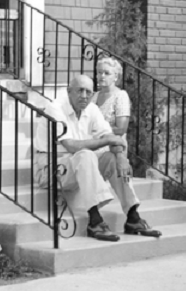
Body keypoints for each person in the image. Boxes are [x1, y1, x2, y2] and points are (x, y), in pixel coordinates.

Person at [33, 74, 160, 241]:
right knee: (85, 155)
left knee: (110, 158)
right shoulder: (55, 108)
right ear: (69, 91)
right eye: (80, 91)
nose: (84, 96)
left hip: (78, 165)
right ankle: (94, 221)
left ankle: (132, 217)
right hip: (51, 169)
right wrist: (106, 140)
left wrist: (121, 156)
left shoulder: (91, 109)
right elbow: (71, 146)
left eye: (88, 92)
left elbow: (110, 136)